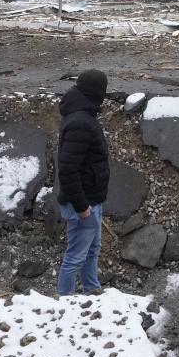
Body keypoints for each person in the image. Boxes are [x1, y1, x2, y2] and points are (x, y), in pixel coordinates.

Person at [55, 68, 111, 296]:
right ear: (96, 92)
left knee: (92, 250)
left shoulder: (81, 114)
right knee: (75, 256)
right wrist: (82, 207)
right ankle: (64, 302)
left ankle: (92, 291)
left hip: (91, 200)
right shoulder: (81, 122)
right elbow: (67, 170)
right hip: (83, 204)